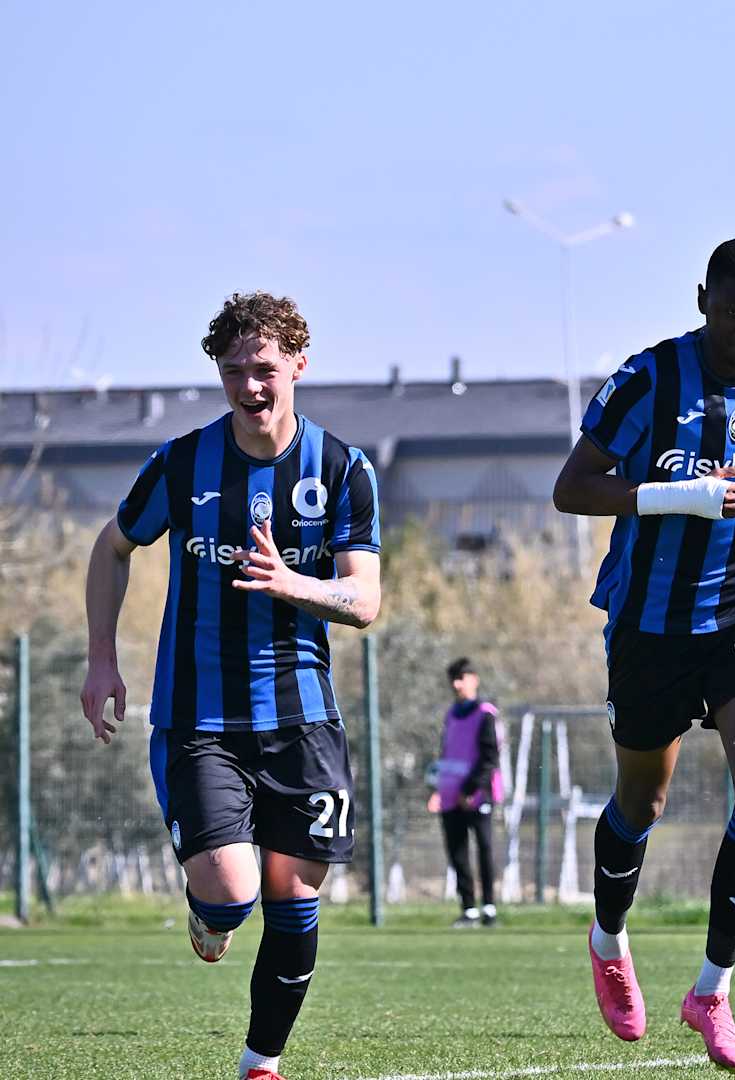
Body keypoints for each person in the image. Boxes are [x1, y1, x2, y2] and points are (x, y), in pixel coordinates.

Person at [79, 292, 382, 1080]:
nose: (251, 386)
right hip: (199, 718)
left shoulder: (343, 469)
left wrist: (292, 584)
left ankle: (260, 1063)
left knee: (294, 901)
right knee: (230, 894)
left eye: (265, 369)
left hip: (304, 719)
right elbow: (113, 547)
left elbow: (365, 600)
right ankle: (207, 914)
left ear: (299, 366)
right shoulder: (183, 464)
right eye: (235, 371)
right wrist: (102, 657)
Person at [551, 238, 735, 1072]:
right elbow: (572, 487)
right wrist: (679, 494)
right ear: (702, 298)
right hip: (651, 623)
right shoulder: (649, 380)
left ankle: (711, 991)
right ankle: (609, 938)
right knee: (643, 800)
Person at [434, 657, 503, 927]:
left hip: (478, 795)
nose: (456, 684)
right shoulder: (451, 715)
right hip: (450, 795)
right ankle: (469, 909)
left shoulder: (485, 714)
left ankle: (489, 907)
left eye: (460, 678)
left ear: (474, 679)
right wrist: (438, 789)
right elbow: (447, 754)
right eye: (453, 679)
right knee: (457, 852)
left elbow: (490, 757)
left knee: (484, 848)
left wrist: (470, 789)